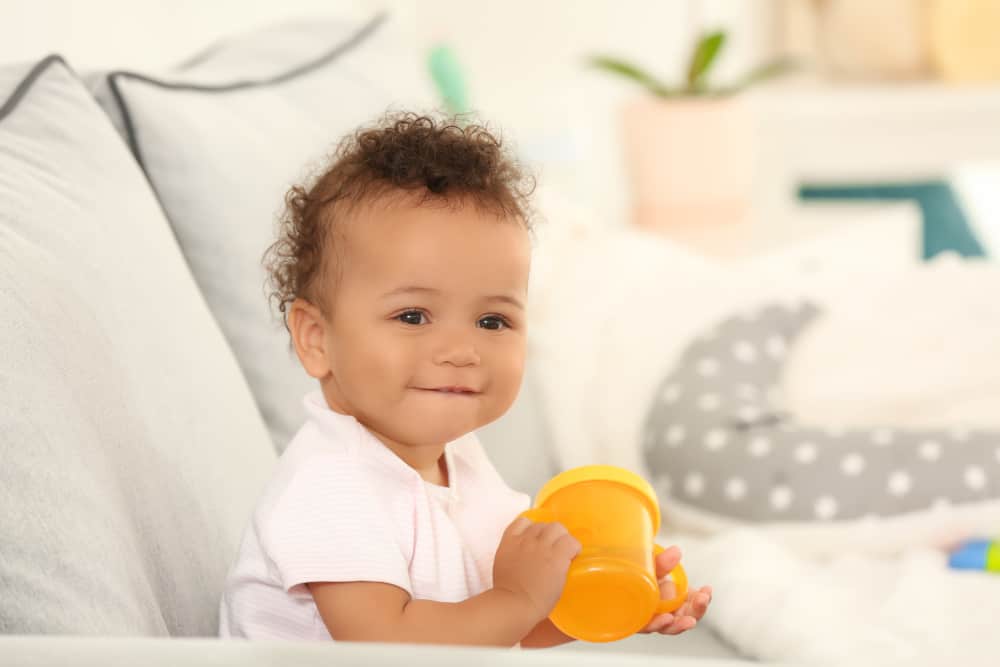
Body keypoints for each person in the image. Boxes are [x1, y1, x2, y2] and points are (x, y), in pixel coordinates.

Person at [219, 112, 712, 646]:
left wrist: (606, 601)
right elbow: (387, 644)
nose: (461, 351)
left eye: (492, 321)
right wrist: (518, 598)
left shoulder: (463, 464)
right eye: (412, 316)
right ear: (316, 338)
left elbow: (496, 627)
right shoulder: (328, 484)